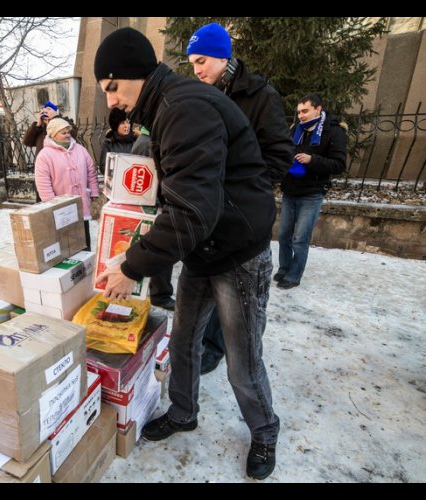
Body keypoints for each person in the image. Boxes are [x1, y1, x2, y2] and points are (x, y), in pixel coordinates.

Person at [93, 27, 280, 480]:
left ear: (136, 72)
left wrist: (134, 265)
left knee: (242, 358)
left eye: (113, 87)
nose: (112, 101)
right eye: (106, 92)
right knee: (183, 340)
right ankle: (182, 412)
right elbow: (180, 194)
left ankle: (264, 431)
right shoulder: (166, 107)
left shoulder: (184, 107)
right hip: (204, 248)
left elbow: (193, 210)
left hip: (237, 252)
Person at [186, 22, 295, 374]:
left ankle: (216, 347)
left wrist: (249, 192)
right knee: (207, 279)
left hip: (242, 214)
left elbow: (279, 154)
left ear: (222, 56)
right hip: (208, 207)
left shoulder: (260, 95)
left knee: (234, 284)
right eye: (192, 64)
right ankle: (202, 343)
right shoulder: (201, 93)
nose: (197, 69)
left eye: (201, 60)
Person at [276, 93, 347, 289]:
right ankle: (284, 268)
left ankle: (294, 275)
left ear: (318, 109)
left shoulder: (334, 132)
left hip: (312, 192)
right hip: (290, 190)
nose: (301, 116)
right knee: (283, 235)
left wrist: (312, 160)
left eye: (305, 111)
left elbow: (339, 164)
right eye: (299, 112)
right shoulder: (296, 130)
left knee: (300, 238)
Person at [34, 118, 100, 252]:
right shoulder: (44, 155)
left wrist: (93, 192)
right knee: (66, 244)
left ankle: (85, 266)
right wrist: (52, 204)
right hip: (61, 209)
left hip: (81, 204)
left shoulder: (80, 150)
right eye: (63, 132)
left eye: (68, 132)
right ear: (53, 134)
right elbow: (43, 183)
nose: (68, 135)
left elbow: (91, 172)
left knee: (84, 240)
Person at [131, 125, 176, 312]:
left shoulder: (146, 140)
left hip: (156, 204)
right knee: (160, 249)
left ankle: (159, 292)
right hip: (154, 205)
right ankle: (160, 294)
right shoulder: (145, 143)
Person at [23, 101, 78, 202]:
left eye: (49, 111)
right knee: (45, 202)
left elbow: (72, 134)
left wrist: (56, 119)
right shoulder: (41, 129)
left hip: (61, 173)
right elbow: (27, 141)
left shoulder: (66, 122)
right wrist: (37, 125)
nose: (46, 115)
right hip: (44, 171)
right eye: (44, 112)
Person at [99, 107, 135, 174]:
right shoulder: (108, 143)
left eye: (128, 122)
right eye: (122, 123)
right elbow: (104, 168)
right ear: (115, 125)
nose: (126, 126)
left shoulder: (136, 141)